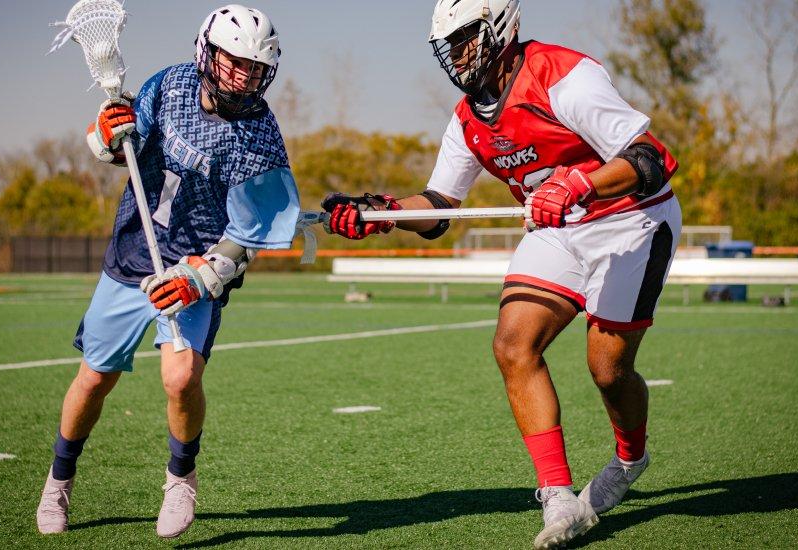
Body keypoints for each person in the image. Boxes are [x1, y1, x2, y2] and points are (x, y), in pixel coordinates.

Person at [321, 1, 681, 547]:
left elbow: (650, 158)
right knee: (513, 345)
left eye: (466, 37)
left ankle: (630, 458)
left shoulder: (562, 75)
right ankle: (558, 497)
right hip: (558, 227)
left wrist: (579, 185)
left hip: (631, 220)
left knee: (608, 371)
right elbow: (441, 204)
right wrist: (382, 214)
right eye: (450, 42)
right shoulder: (467, 116)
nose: (456, 53)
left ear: (501, 28)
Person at [36, 5, 300, 539]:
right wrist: (106, 136)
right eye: (233, 62)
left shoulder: (260, 137)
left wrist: (200, 279)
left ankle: (180, 479)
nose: (243, 76)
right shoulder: (169, 85)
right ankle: (58, 481)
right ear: (207, 53)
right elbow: (123, 147)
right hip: (136, 250)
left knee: (181, 379)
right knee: (94, 379)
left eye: (253, 67)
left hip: (195, 265)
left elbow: (251, 236)